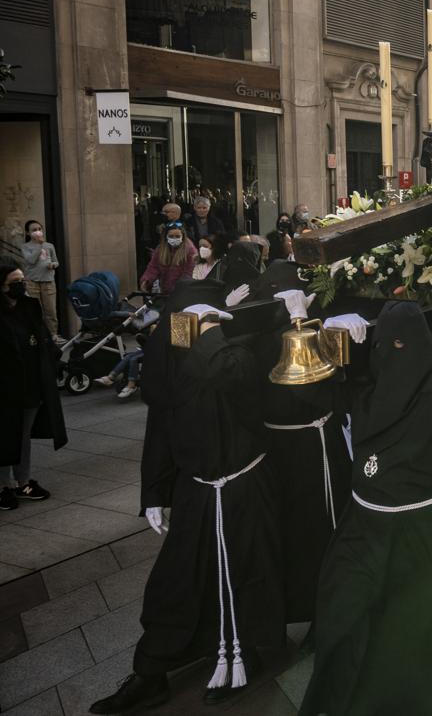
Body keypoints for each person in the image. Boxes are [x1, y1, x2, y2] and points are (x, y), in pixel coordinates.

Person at [92, 282, 284, 713]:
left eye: (190, 323)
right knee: (174, 582)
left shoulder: (240, 353)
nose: (180, 333)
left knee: (246, 577)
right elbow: (160, 429)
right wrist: (155, 493)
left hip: (243, 487)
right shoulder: (172, 361)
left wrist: (211, 327)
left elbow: (229, 375)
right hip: (196, 492)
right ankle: (150, 674)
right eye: (180, 324)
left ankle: (243, 656)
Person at [302, 302, 432, 716]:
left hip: (419, 529)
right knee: (343, 617)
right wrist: (326, 340)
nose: (394, 352)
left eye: (403, 343)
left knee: (410, 633)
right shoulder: (369, 379)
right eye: (387, 344)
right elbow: (317, 391)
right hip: (361, 524)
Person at [0, 260, 63, 510]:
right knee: (5, 437)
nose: (21, 287)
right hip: (6, 388)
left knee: (22, 437)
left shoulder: (28, 307)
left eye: (22, 281)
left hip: (31, 386)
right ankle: (3, 486)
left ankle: (22, 482)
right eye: (14, 283)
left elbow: (43, 337)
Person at [20, 219, 60, 340]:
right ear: (28, 233)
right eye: (34, 230)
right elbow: (31, 260)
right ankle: (38, 336)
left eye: (39, 229)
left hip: (48, 282)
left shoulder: (49, 246)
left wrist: (53, 265)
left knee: (51, 311)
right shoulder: (25, 247)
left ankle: (53, 335)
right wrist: (39, 245)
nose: (37, 232)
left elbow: (56, 261)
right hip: (32, 282)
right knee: (36, 311)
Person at [138, 221, 197, 294]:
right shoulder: (160, 249)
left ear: (183, 236)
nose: (174, 238)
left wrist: (179, 289)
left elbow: (189, 272)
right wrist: (146, 280)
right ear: (166, 237)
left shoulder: (190, 251)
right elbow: (153, 267)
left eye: (177, 236)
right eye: (171, 236)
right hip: (165, 290)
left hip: (184, 291)